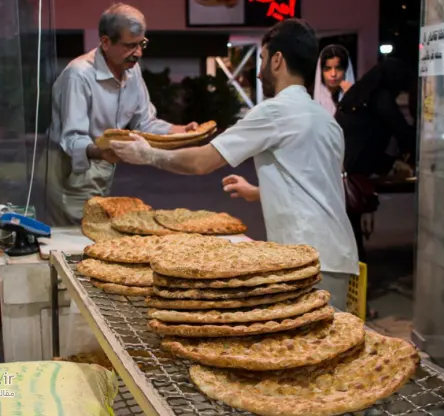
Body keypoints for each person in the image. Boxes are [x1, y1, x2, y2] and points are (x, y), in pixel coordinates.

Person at [110, 19, 359, 311]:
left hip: (306, 258)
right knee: (329, 348)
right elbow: (315, 182)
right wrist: (258, 191)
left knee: (302, 349)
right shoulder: (325, 120)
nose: (259, 70)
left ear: (277, 60)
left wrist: (148, 154)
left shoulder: (276, 111)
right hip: (337, 257)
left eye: (263, 60)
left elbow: (202, 161)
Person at [47, 2, 198, 225]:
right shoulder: (79, 75)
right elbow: (71, 139)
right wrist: (103, 151)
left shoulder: (131, 70)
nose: (137, 53)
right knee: (78, 240)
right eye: (130, 46)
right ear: (106, 42)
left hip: (104, 165)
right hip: (72, 172)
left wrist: (180, 131)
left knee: (98, 234)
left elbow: (144, 122)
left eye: (142, 44)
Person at [324, 57, 416, 264]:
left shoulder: (359, 92)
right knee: (353, 229)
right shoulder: (380, 97)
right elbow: (402, 131)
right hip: (355, 168)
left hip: (339, 165)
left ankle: (350, 276)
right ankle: (355, 277)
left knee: (348, 228)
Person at [313, 44, 355, 116]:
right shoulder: (310, 99)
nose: (333, 74)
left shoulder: (357, 97)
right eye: (327, 69)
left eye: (338, 68)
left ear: (345, 70)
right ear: (321, 71)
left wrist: (351, 97)